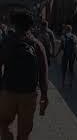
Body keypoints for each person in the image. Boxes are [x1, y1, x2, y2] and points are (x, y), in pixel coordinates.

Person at [0, 11, 48, 140]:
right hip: (29, 94)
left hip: (8, 92)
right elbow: (43, 73)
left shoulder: (6, 42)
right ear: (30, 26)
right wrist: (44, 95)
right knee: (24, 133)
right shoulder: (37, 45)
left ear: (14, 25)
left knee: (4, 124)